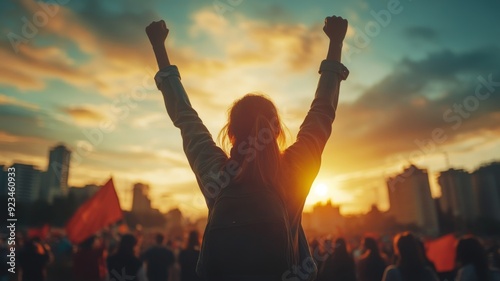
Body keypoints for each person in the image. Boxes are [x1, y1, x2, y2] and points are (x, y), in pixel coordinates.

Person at [146, 14, 349, 281]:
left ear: (230, 134)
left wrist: (159, 47)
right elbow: (322, 112)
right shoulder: (293, 172)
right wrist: (335, 43)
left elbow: (185, 118)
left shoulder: (216, 175)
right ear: (276, 131)